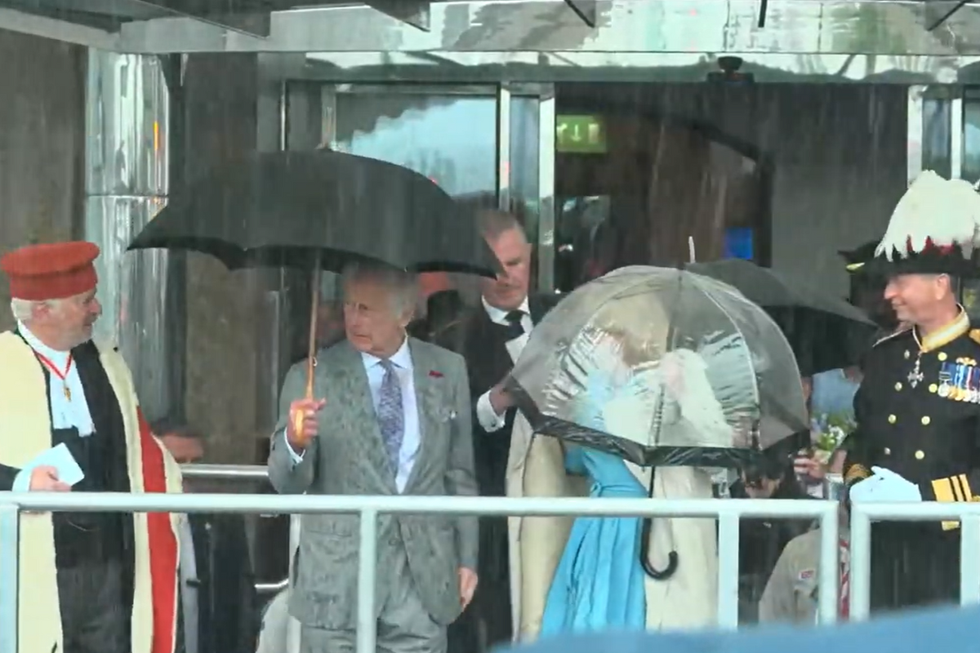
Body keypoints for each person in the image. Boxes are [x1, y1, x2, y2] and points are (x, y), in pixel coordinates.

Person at [267, 261, 479, 653]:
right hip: (338, 584)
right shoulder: (311, 375)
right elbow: (285, 483)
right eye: (349, 306)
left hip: (422, 582)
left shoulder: (448, 370)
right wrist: (295, 442)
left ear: (405, 314)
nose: (353, 318)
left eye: (367, 309)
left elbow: (459, 474)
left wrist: (467, 557)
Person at [0, 241, 182, 653]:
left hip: (110, 570)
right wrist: (21, 481)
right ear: (42, 310)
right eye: (84, 301)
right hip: (33, 571)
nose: (96, 309)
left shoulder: (108, 364)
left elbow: (140, 454)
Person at [843, 170, 980, 611]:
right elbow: (859, 439)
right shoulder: (884, 357)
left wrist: (926, 498)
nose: (889, 293)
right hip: (883, 553)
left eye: (900, 280)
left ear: (940, 282)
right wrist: (858, 486)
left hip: (958, 554)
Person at [433, 209, 558, 653]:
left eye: (516, 263)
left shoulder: (567, 317)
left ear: (531, 259)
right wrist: (496, 401)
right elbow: (444, 433)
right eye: (496, 267)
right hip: (494, 515)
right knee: (496, 629)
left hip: (564, 501)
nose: (508, 277)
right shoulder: (451, 339)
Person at [152, 418, 258, 653]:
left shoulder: (225, 520)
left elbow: (242, 606)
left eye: (196, 463)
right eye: (178, 463)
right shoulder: (135, 522)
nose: (189, 473)